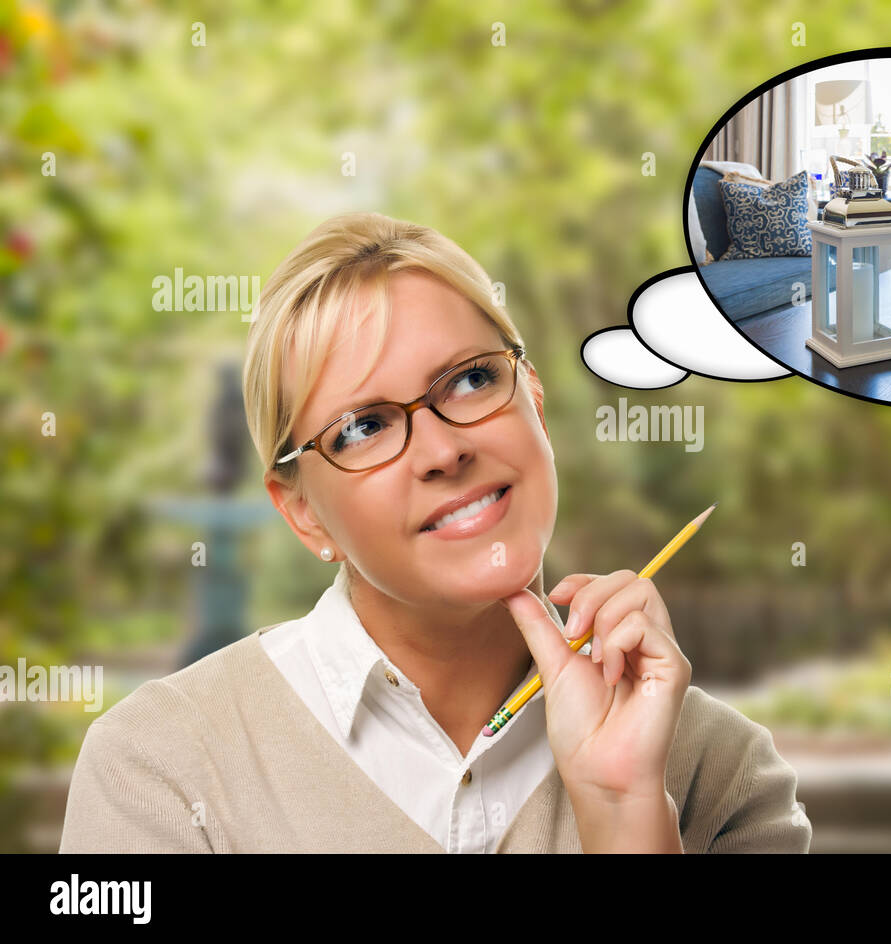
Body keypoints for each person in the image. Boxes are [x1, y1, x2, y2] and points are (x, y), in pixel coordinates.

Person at [59, 212, 812, 853]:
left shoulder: (721, 772)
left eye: (472, 379)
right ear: (302, 512)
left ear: (535, 406)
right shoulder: (159, 768)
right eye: (363, 427)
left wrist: (623, 817)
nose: (445, 449)